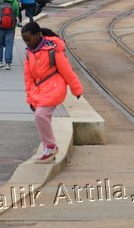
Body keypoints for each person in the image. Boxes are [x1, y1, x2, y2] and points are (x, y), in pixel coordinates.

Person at [21, 21, 84, 163]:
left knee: (41, 115)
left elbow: (67, 71)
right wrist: (30, 98)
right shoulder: (29, 53)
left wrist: (76, 89)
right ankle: (48, 149)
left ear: (38, 35)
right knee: (43, 117)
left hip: (55, 87)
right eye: (25, 40)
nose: (27, 43)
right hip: (40, 90)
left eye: (29, 39)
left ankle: (50, 147)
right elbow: (28, 78)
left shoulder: (53, 50)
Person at [0, 0, 21, 70]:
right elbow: (17, 13)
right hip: (11, 27)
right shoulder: (14, 2)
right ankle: (8, 63)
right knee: (9, 44)